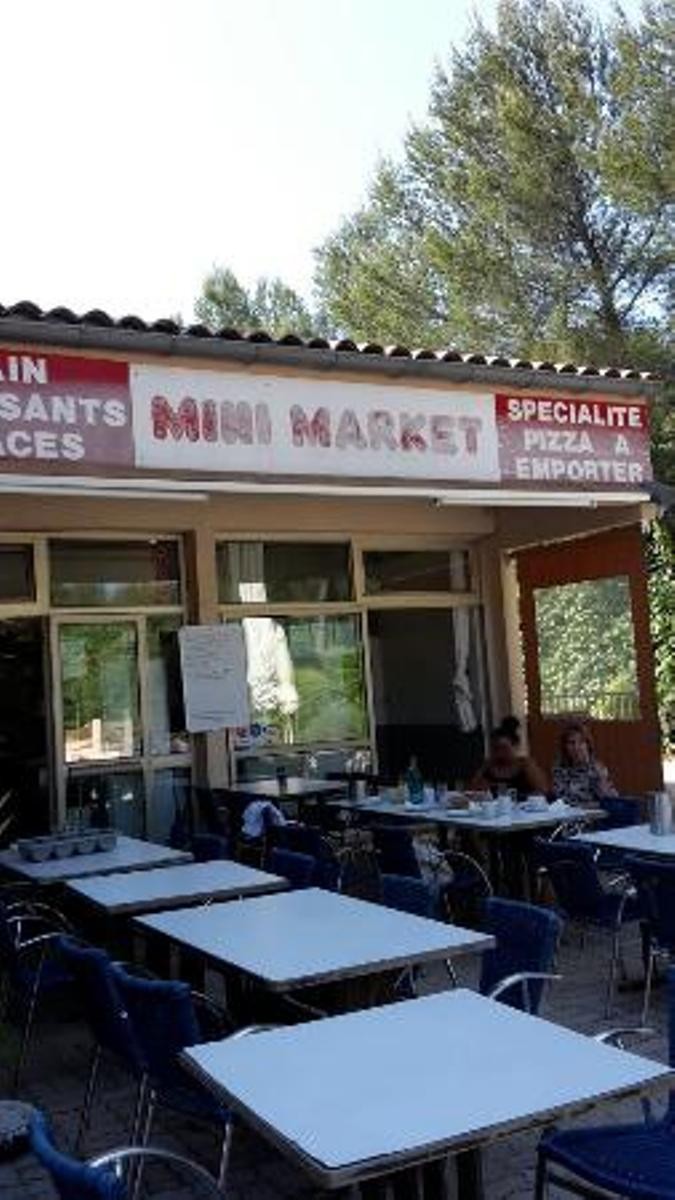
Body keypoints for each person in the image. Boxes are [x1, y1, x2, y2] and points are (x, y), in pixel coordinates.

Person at [471, 716, 548, 799]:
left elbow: (543, 790)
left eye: (504, 748)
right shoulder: (488, 766)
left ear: (515, 746)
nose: (500, 753)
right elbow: (471, 791)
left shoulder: (526, 765)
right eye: (495, 749)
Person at [552, 720, 616, 806]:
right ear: (565, 747)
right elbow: (560, 798)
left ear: (587, 745)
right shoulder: (560, 768)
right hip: (567, 815)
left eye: (581, 742)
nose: (576, 747)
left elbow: (611, 799)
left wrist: (600, 778)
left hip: (592, 816)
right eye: (571, 743)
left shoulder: (597, 767)